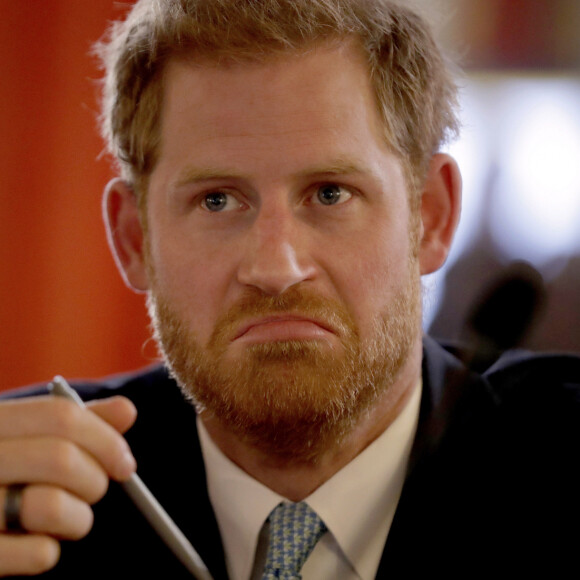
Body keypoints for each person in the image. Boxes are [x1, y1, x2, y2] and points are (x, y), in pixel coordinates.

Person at [0, 0, 578, 578]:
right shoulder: (24, 494)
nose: (276, 268)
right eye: (217, 200)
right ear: (134, 242)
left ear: (430, 217)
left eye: (330, 194)